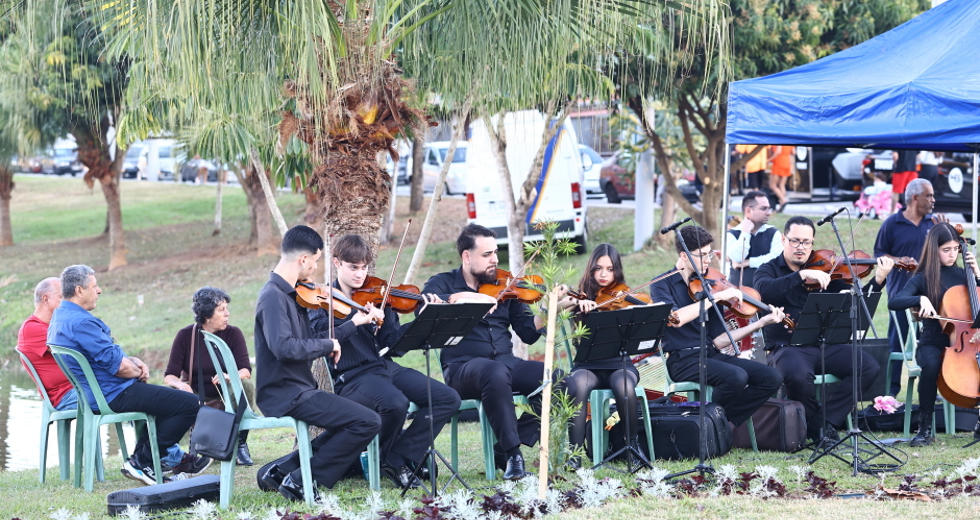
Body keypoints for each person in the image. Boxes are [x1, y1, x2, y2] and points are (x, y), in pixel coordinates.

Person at [308, 234, 460, 490]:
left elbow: (394, 344)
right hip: (353, 375)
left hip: (386, 368)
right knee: (395, 403)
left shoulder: (379, 294)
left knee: (447, 398)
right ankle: (386, 460)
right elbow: (320, 337)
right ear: (336, 263)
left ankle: (395, 457)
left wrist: (422, 319)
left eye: (364, 267)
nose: (359, 274)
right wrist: (357, 319)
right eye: (353, 267)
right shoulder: (322, 299)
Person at [46, 265, 210, 486]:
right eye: (95, 286)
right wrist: (136, 370)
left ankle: (146, 461)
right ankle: (142, 461)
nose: (99, 290)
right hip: (113, 394)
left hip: (99, 393)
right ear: (79, 291)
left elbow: (104, 357)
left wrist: (132, 361)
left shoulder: (60, 318)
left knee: (163, 403)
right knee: (190, 403)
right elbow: (120, 369)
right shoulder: (82, 322)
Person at [254, 225, 380, 502]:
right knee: (368, 421)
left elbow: (312, 339)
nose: (314, 269)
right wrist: (327, 345)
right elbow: (283, 348)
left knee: (353, 419)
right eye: (315, 261)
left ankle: (283, 470)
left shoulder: (291, 294)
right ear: (303, 259)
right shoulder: (274, 297)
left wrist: (339, 337)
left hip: (297, 387)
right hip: (285, 392)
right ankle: (301, 481)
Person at [421, 223, 550, 480]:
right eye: (487, 254)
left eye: (496, 253)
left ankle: (504, 448)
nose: (494, 260)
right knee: (494, 371)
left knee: (557, 379)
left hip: (506, 363)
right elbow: (422, 309)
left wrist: (549, 310)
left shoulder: (505, 286)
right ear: (466, 256)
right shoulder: (443, 282)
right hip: (462, 369)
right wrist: (466, 299)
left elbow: (527, 331)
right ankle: (514, 455)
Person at [755, 217, 894, 442]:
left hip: (825, 343)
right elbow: (763, 290)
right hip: (787, 347)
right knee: (798, 375)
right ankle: (815, 424)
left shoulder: (826, 270)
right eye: (795, 241)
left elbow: (857, 302)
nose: (801, 248)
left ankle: (823, 421)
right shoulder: (768, 270)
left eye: (806, 242)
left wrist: (877, 281)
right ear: (783, 239)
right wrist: (800, 275)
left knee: (868, 366)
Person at [651, 226, 784, 431]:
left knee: (771, 377)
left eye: (710, 254)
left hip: (710, 354)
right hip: (682, 359)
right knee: (736, 376)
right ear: (684, 256)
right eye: (702, 255)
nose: (708, 260)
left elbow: (719, 340)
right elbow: (675, 319)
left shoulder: (709, 285)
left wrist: (759, 323)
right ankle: (713, 427)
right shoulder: (662, 284)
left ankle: (723, 423)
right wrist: (715, 298)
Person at [887, 223, 980, 446]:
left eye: (955, 249)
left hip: (968, 340)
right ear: (934, 249)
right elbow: (894, 301)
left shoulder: (963, 275)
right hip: (932, 340)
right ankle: (925, 427)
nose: (952, 254)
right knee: (929, 365)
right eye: (946, 250)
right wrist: (919, 298)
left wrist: (977, 275)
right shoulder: (922, 278)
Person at [556, 243, 646, 468]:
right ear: (591, 270)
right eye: (599, 268)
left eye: (610, 269)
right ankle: (574, 455)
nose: (604, 274)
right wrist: (577, 303)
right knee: (577, 386)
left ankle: (633, 447)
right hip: (588, 365)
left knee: (624, 386)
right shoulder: (580, 297)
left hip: (620, 363)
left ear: (617, 270)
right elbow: (554, 309)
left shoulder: (622, 296)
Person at [164, 287, 255, 466]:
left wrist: (230, 376)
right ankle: (164, 450)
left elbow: (245, 370)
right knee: (166, 395)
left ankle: (240, 442)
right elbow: (170, 375)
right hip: (196, 397)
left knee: (246, 385)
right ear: (207, 314)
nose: (227, 314)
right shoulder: (185, 336)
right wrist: (181, 385)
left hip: (226, 395)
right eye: (221, 310)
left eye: (227, 308)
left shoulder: (233, 333)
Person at [874, 178, 948, 396]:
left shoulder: (932, 223)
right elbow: (879, 254)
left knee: (930, 348)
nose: (933, 200)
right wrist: (898, 260)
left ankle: (929, 394)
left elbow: (947, 255)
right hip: (901, 297)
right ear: (915, 198)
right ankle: (891, 395)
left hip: (931, 300)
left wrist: (945, 233)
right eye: (929, 195)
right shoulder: (891, 223)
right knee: (896, 347)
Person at [726, 190, 782, 288]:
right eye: (764, 208)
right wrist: (745, 232)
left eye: (769, 208)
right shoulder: (732, 234)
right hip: (737, 296)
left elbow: (777, 259)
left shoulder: (773, 233)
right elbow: (737, 257)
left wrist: (749, 262)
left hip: (767, 294)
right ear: (748, 211)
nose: (769, 213)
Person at [890, 149, 918, 214]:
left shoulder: (897, 141)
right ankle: (912, 212)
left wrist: (895, 163)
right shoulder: (914, 141)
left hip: (900, 169)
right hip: (913, 170)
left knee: (895, 192)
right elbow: (919, 156)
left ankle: (892, 212)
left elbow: (895, 156)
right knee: (912, 192)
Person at [768, 145, 794, 212]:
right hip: (787, 162)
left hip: (779, 162)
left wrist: (769, 160)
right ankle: (781, 204)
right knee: (782, 184)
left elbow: (778, 151)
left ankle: (783, 200)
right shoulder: (789, 141)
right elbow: (793, 152)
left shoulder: (780, 139)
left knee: (772, 185)